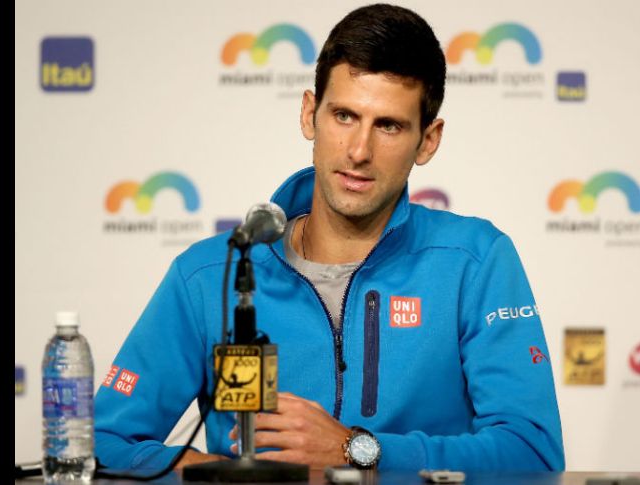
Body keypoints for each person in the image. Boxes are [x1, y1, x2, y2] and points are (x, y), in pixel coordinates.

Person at [94, 3, 565, 472]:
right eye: (344, 116)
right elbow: (103, 441)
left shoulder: (475, 261)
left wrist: (361, 452)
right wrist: (215, 475)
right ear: (308, 114)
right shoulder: (211, 275)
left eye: (389, 125)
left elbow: (533, 453)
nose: (359, 151)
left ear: (428, 140)